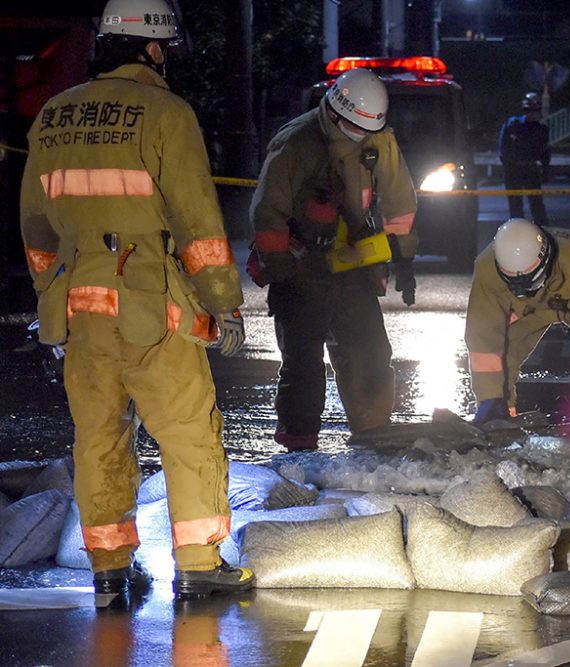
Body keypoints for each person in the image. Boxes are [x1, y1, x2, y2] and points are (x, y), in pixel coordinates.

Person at [19, 0, 254, 599]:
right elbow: (198, 225)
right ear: (151, 48)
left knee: (98, 437)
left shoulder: (53, 116)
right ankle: (200, 563)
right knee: (186, 433)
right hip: (153, 306)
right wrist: (223, 302)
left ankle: (108, 569)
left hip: (78, 310)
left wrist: (54, 292)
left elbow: (36, 229)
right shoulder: (166, 113)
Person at [249, 67, 417, 451]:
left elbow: (399, 204)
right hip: (300, 267)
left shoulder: (379, 141)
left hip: (352, 265)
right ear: (336, 113)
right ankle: (299, 446)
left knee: (371, 354)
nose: (361, 138)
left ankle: (373, 436)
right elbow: (267, 213)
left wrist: (405, 259)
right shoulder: (296, 144)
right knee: (303, 364)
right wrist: (282, 273)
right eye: (355, 130)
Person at [465, 219, 570, 442]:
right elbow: (483, 340)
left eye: (528, 281)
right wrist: (489, 398)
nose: (523, 288)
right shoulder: (487, 269)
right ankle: (499, 429)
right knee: (505, 349)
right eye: (515, 284)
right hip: (531, 307)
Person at [498, 92, 550, 225]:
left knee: (537, 204)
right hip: (513, 170)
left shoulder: (541, 129)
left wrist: (545, 170)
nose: (532, 113)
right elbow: (503, 148)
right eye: (529, 109)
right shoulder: (513, 124)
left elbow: (545, 152)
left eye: (535, 110)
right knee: (515, 206)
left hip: (531, 169)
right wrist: (508, 167)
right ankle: (518, 231)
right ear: (524, 109)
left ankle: (544, 232)